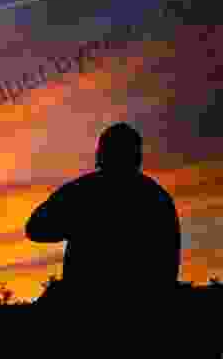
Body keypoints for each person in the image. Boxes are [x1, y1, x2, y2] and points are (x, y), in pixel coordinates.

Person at [25, 122, 181, 347]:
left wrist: (78, 226)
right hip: (146, 313)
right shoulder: (158, 198)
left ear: (101, 154)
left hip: (85, 308)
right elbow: (169, 262)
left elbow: (36, 228)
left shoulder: (83, 191)